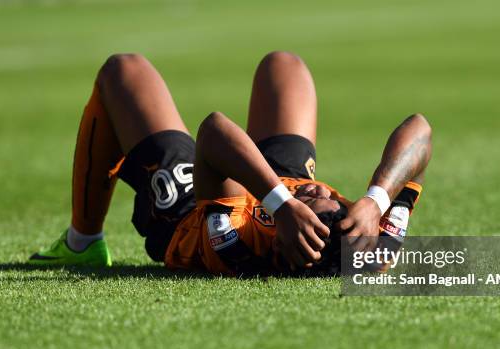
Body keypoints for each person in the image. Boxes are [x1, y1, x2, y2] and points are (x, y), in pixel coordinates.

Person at [29, 51, 432, 276]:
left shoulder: (237, 240)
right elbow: (421, 131)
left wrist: (280, 202)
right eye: (338, 203)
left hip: (194, 206)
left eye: (318, 201)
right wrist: (376, 200)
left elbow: (214, 133)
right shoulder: (367, 247)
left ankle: (83, 243)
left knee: (124, 70)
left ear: (286, 233)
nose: (325, 189)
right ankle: (282, 193)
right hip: (276, 194)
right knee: (284, 65)